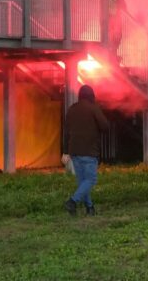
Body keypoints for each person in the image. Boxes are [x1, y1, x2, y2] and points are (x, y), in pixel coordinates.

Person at [62, 85, 110, 216]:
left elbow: (66, 132)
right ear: (91, 95)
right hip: (89, 150)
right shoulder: (93, 108)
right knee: (91, 180)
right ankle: (72, 201)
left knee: (83, 181)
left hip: (74, 151)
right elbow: (105, 126)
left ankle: (90, 208)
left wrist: (65, 151)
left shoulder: (71, 109)